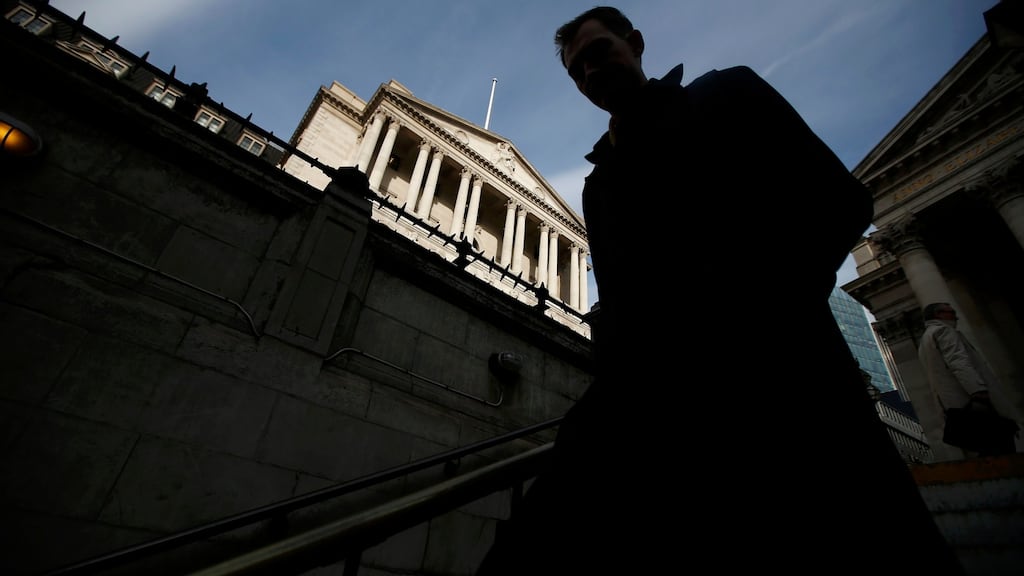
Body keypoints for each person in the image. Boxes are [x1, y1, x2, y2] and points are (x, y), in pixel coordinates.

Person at [477, 7, 964, 575]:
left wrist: (766, 306)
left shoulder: (726, 94)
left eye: (598, 51)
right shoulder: (598, 182)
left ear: (634, 44)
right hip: (653, 402)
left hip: (780, 380)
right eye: (577, 69)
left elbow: (840, 200)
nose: (590, 71)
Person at [918, 302, 1018, 456]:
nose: (955, 316)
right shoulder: (944, 331)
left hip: (953, 406)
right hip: (970, 401)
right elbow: (959, 361)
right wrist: (978, 390)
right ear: (938, 315)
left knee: (984, 450)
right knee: (1000, 444)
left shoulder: (925, 339)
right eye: (950, 312)